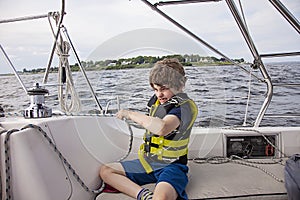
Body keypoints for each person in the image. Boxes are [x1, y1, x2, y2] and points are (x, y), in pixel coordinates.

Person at [99, 58, 198, 200]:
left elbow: (163, 128)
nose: (159, 95)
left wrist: (129, 113)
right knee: (106, 171)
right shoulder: (158, 101)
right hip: (147, 163)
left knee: (162, 198)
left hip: (172, 166)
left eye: (164, 89)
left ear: (181, 84)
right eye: (156, 89)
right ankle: (144, 196)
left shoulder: (184, 107)